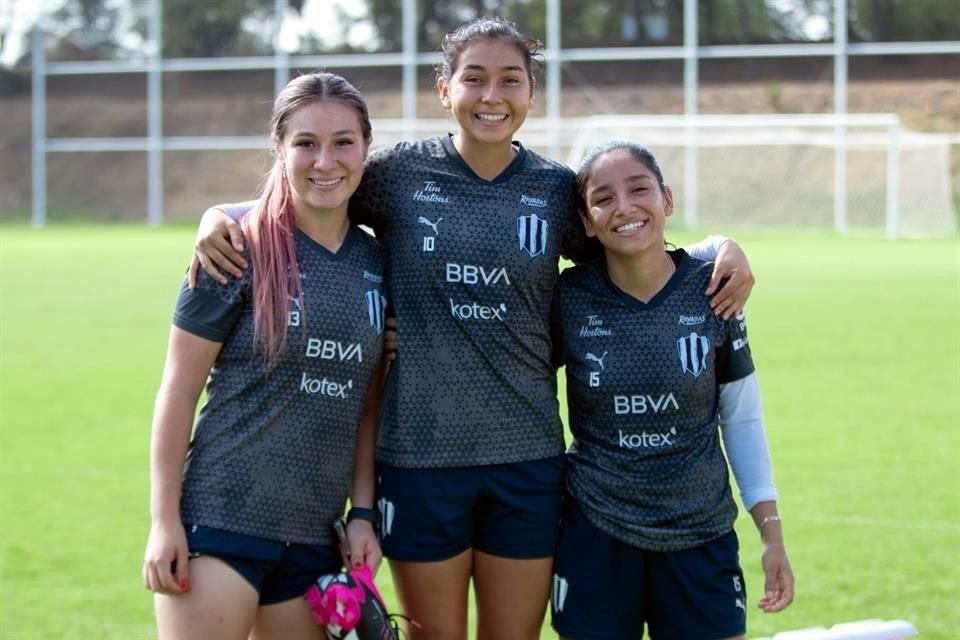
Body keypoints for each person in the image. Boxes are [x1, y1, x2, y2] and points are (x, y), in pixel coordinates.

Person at [189, 17, 756, 640]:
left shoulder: (554, 192)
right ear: (444, 89)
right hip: (419, 459)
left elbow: (632, 240)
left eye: (510, 80)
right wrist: (224, 213)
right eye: (475, 79)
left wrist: (714, 248)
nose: (492, 96)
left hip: (528, 462)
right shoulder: (399, 175)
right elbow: (320, 183)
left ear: (530, 92)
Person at [141, 71, 390, 640]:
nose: (325, 160)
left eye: (342, 142)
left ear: (365, 148)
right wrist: (163, 522)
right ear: (279, 148)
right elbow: (177, 390)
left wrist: (364, 514)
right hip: (221, 519)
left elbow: (365, 408)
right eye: (305, 143)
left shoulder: (379, 261)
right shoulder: (234, 247)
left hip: (314, 538)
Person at [550, 140, 794, 640]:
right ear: (588, 219)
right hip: (595, 533)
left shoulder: (716, 290)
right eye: (604, 198)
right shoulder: (568, 298)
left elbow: (742, 419)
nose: (624, 207)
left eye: (639, 189)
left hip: (701, 535)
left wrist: (771, 533)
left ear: (667, 199)